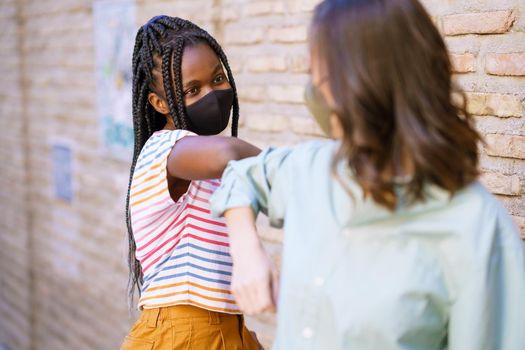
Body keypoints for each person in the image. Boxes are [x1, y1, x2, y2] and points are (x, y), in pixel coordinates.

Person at [209, 0, 525, 349]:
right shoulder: (310, 168)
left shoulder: (476, 228)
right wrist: (246, 250)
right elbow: (242, 176)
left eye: (319, 76)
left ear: (365, 83)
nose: (312, 91)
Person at [122, 15, 261, 350]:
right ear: (160, 103)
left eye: (218, 79)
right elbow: (226, 151)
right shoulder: (164, 149)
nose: (212, 94)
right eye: (193, 90)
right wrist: (293, 166)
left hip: (225, 327)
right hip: (183, 330)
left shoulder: (200, 166)